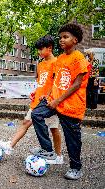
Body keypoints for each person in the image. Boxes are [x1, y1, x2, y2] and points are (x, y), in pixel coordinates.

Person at [31, 23, 90, 180]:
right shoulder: (60, 59)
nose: (61, 40)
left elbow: (77, 84)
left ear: (75, 40)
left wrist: (57, 100)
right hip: (54, 101)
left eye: (66, 37)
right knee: (36, 114)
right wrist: (48, 95)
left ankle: (76, 168)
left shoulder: (79, 58)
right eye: (60, 37)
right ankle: (48, 149)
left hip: (71, 105)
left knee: (73, 140)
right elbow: (56, 80)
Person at [0, 35, 63, 164]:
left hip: (48, 103)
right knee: (25, 123)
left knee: (54, 129)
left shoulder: (56, 63)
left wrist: (49, 97)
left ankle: (58, 156)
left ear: (50, 48)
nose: (38, 52)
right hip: (37, 100)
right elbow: (41, 83)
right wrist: (35, 92)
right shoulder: (41, 64)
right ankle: (10, 146)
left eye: (40, 49)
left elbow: (55, 83)